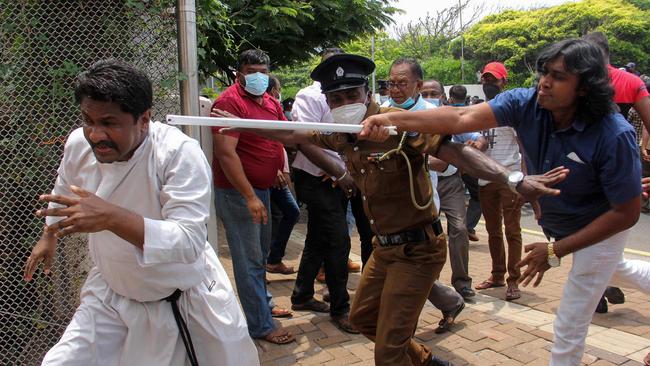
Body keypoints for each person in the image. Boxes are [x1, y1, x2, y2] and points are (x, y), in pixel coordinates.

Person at [215, 53, 565, 366]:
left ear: (366, 94)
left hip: (418, 248)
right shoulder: (342, 133)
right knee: (365, 320)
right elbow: (294, 135)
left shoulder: (399, 124)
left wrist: (513, 179)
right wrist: (241, 123)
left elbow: (455, 153)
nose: (345, 103)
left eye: (351, 95)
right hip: (384, 249)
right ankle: (427, 362)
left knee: (388, 353)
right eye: (336, 98)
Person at [360, 38, 640, 366]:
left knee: (570, 319)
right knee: (619, 270)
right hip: (563, 223)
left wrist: (555, 250)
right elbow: (461, 118)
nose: (544, 82)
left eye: (559, 77)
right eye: (544, 72)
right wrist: (391, 121)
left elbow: (627, 212)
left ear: (585, 87)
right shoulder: (528, 103)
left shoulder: (613, 134)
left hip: (601, 226)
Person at [23, 59, 258, 365]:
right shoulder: (79, 144)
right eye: (87, 120)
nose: (94, 134)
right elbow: (65, 185)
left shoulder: (178, 154)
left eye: (108, 123)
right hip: (110, 297)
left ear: (144, 119)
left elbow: (188, 242)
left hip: (181, 305)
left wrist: (111, 216)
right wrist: (49, 234)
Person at [211, 49, 294, 344]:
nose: (258, 77)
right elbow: (225, 154)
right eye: (251, 71)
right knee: (249, 261)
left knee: (259, 255)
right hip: (238, 193)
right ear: (239, 74)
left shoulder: (270, 102)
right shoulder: (228, 103)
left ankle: (264, 305)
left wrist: (277, 167)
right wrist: (249, 196)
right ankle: (260, 324)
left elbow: (282, 136)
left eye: (263, 71)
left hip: (263, 189)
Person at [282, 47, 366, 333]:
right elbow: (306, 141)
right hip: (317, 178)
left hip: (341, 177)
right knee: (338, 241)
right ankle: (340, 309)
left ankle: (302, 294)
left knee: (319, 238)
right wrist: (340, 173)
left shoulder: (356, 97)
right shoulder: (309, 97)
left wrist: (346, 171)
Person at [382, 58, 467, 331]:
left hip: (421, 203)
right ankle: (450, 301)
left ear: (418, 85)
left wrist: (406, 160)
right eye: (390, 83)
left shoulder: (433, 114)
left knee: (413, 268)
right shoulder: (381, 112)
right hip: (388, 205)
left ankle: (405, 330)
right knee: (406, 268)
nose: (394, 89)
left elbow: (445, 162)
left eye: (401, 84)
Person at [583, 31, 650, 312]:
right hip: (623, 167)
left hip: (588, 170)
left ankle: (599, 288)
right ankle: (601, 286)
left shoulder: (579, 82)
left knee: (589, 237)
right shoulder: (632, 82)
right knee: (609, 235)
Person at [472, 62, 526, 302]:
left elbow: (524, 146)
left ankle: (514, 280)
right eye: (485, 80)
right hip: (486, 178)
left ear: (504, 82)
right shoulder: (479, 109)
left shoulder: (512, 110)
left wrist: (525, 178)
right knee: (493, 230)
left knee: (512, 230)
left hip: (509, 176)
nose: (488, 84)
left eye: (493, 80)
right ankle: (497, 275)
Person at [265, 76, 301, 275]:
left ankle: (274, 258)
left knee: (291, 212)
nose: (279, 92)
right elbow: (266, 141)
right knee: (266, 220)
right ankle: (264, 266)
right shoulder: (264, 108)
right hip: (268, 175)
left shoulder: (273, 107)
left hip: (278, 173)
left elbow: (283, 138)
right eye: (278, 89)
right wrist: (276, 169)